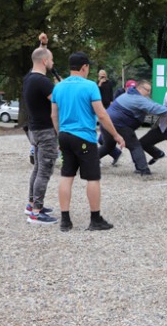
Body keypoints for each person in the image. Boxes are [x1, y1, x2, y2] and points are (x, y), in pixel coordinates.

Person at [51, 52, 125, 232]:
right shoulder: (90, 86)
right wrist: (115, 135)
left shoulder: (58, 87)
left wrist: (60, 133)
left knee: (66, 176)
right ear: (84, 67)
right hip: (84, 137)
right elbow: (101, 114)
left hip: (65, 136)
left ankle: (65, 221)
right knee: (92, 177)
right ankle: (95, 219)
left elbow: (54, 114)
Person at [99, 80, 167, 175]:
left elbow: (152, 104)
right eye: (147, 90)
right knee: (135, 146)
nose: (149, 92)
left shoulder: (129, 94)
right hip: (119, 124)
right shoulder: (138, 98)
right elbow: (154, 108)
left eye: (150, 90)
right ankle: (144, 170)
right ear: (139, 88)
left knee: (108, 146)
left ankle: (86, 162)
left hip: (106, 122)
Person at [22, 47, 59, 225]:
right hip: (46, 132)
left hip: (34, 131)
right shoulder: (43, 82)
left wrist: (43, 45)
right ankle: (36, 213)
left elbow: (37, 55)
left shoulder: (29, 78)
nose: (53, 63)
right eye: (51, 60)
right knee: (44, 171)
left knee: (37, 169)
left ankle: (32, 205)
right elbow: (59, 101)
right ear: (45, 61)